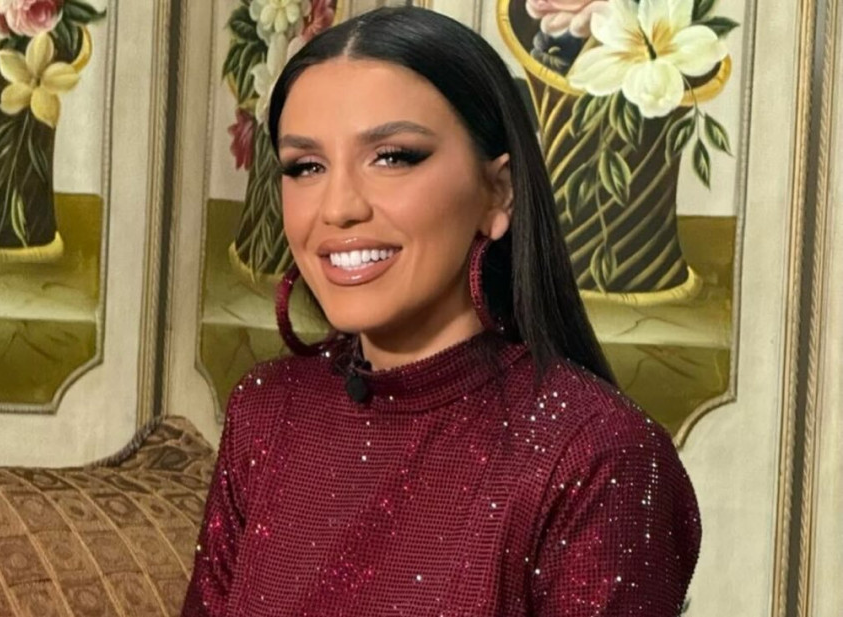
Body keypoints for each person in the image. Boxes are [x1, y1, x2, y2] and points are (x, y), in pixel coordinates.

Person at [182, 6, 700, 616]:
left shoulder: (598, 456)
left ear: (498, 192)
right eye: (306, 166)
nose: (338, 207)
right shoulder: (266, 412)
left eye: (393, 156)